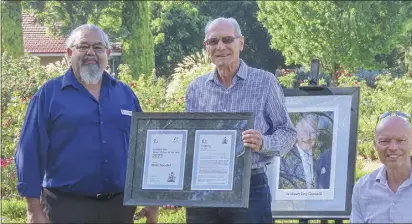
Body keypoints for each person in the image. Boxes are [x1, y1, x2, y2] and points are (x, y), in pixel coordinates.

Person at [15, 24, 158, 223]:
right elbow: (29, 151)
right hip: (65, 209)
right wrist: (33, 210)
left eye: (98, 47)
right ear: (68, 53)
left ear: (107, 53)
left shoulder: (125, 95)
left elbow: (145, 148)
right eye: (83, 46)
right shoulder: (49, 94)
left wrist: (151, 199)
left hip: (119, 209)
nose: (91, 52)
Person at [184, 17, 297, 223]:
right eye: (213, 41)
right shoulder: (195, 89)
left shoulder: (264, 82)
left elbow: (287, 132)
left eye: (228, 39)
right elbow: (189, 143)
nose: (221, 47)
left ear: (241, 43)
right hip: (204, 189)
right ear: (206, 47)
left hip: (250, 187)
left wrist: (264, 142)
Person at [279, 114, 332, 189]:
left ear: (317, 135)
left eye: (312, 132)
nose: (308, 137)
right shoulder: (284, 161)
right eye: (305, 131)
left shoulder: (323, 159)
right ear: (297, 133)